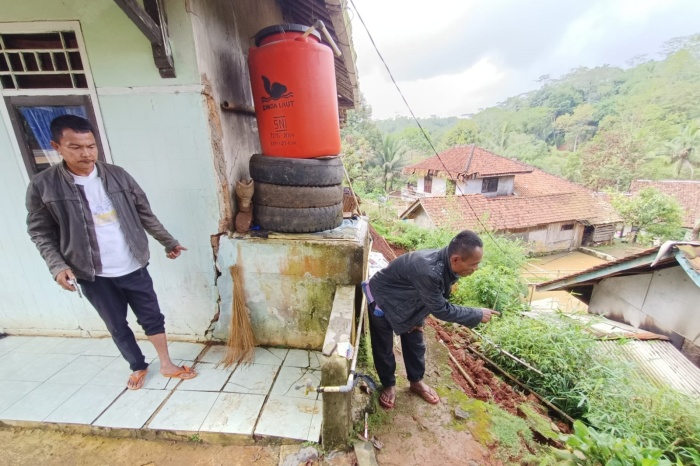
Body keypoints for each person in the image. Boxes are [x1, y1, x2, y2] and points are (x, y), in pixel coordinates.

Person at [25, 115, 197, 390]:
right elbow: (39, 231)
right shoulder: (43, 185)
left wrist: (168, 241)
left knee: (152, 316)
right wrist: (57, 266)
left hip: (133, 264)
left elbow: (145, 214)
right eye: (76, 147)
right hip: (92, 272)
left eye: (91, 146)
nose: (86, 153)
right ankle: (138, 365)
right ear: (56, 146)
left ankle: (166, 363)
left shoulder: (118, 175)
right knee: (116, 324)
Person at [362, 230, 499, 409]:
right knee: (384, 346)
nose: (475, 269)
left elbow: (434, 295)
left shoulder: (446, 262)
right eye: (474, 264)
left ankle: (416, 381)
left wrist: (418, 318)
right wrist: (477, 314)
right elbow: (441, 309)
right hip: (383, 299)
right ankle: (389, 384)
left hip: (409, 299)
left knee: (416, 342)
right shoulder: (429, 270)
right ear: (456, 259)